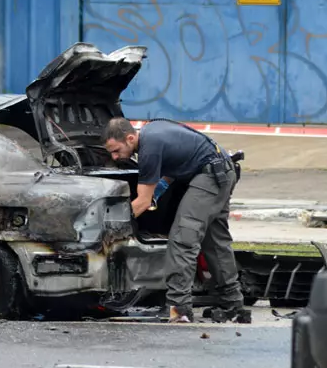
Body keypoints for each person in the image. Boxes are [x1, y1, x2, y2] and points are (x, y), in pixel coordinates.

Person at [101, 117, 248, 324]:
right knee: (215, 242)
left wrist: (109, 225)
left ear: (130, 138)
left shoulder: (148, 149)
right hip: (222, 170)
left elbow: (142, 202)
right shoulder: (151, 132)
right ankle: (234, 307)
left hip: (209, 175)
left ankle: (179, 310)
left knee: (182, 239)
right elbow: (177, 160)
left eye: (116, 150)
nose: (115, 157)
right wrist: (161, 186)